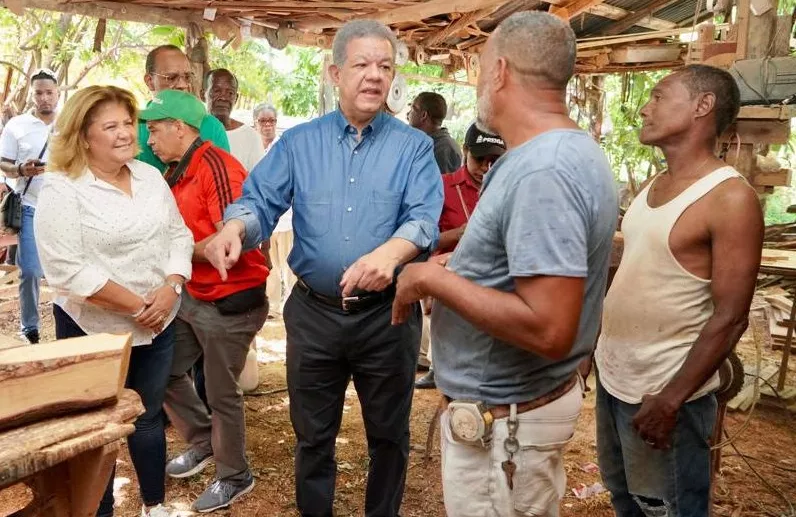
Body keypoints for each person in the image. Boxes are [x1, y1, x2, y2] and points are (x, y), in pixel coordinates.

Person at [205, 19, 443, 517]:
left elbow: (423, 218)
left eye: (384, 66)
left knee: (388, 437)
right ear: (336, 73)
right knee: (313, 438)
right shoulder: (299, 143)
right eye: (361, 65)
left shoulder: (414, 147)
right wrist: (235, 228)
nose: (374, 76)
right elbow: (259, 201)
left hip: (387, 316)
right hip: (314, 316)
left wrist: (390, 254)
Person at [392, 12, 618, 517]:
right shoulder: (557, 152)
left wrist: (432, 278)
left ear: (499, 72)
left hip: (507, 428)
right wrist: (466, 266)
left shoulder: (545, 171)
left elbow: (549, 326)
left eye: (479, 68)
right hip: (516, 413)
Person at [594, 65, 763, 517]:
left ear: (702, 106)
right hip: (618, 378)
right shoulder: (656, 184)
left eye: (659, 96)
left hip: (665, 392)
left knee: (666, 507)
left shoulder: (729, 199)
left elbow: (731, 315)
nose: (645, 108)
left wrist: (670, 400)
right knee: (624, 498)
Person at [34, 85, 193, 517]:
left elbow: (178, 235)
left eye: (128, 123)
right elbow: (68, 268)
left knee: (147, 415)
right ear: (84, 136)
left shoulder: (150, 176)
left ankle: (154, 505)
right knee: (99, 428)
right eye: (111, 126)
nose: (126, 133)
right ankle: (98, 510)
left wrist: (172, 286)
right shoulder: (63, 187)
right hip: (94, 329)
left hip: (158, 321)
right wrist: (139, 307)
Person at [140, 89, 269, 513]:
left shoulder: (216, 166)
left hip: (231, 300)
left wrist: (179, 249)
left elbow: (224, 243)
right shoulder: (177, 168)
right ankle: (204, 441)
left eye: (155, 130)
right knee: (166, 373)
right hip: (197, 294)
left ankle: (235, 475)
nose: (149, 139)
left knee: (220, 391)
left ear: (181, 128)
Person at [415, 122, 506, 390]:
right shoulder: (442, 187)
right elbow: (422, 243)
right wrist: (460, 234)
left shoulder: (507, 190)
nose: (486, 168)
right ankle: (438, 368)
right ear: (465, 150)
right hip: (450, 286)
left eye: (495, 160)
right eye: (480, 159)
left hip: (493, 287)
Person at [0, 69, 59, 344]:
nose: (44, 98)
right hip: (30, 206)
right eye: (39, 93)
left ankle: (69, 322)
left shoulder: (71, 124)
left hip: (65, 210)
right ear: (32, 95)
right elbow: (3, 163)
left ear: (57, 93)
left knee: (65, 269)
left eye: (49, 92)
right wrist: (21, 169)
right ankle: (30, 327)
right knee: (32, 270)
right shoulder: (18, 126)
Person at [138, 45, 229, 172]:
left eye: (187, 77)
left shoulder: (211, 126)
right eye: (171, 77)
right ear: (149, 81)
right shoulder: (131, 126)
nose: (182, 85)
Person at [253, 104, 295, 318]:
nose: (268, 125)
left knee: (289, 266)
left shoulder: (284, 147)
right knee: (268, 267)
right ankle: (273, 307)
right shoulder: (254, 149)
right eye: (263, 121)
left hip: (287, 219)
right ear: (255, 124)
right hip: (265, 221)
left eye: (272, 121)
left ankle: (290, 306)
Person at [205, 68, 264, 171]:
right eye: (217, 91)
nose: (223, 97)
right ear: (202, 94)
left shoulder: (251, 137)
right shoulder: (190, 131)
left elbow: (259, 181)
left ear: (236, 98)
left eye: (230, 93)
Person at [407, 91, 462, 174]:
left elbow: (441, 185)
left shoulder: (444, 149)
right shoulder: (431, 143)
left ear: (423, 115)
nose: (408, 114)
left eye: (412, 109)